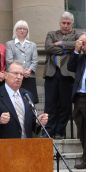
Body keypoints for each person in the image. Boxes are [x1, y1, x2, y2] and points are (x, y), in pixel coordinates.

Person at [0, 61, 48, 150]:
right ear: (6, 75)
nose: (19, 77)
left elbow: (30, 123)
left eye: (21, 74)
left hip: (25, 149)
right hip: (2, 150)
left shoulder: (27, 95)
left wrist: (38, 122)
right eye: (15, 73)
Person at [43, 11, 81, 139]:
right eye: (63, 23)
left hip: (68, 74)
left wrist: (60, 44)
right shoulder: (51, 34)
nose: (65, 25)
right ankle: (49, 131)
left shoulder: (77, 34)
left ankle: (60, 131)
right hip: (51, 73)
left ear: (72, 23)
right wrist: (67, 48)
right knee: (50, 104)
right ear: (60, 23)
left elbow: (78, 45)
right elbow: (48, 47)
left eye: (68, 23)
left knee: (65, 105)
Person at [6, 20, 39, 104]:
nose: (22, 30)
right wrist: (22, 71)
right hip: (15, 76)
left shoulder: (32, 45)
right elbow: (9, 60)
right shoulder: (10, 44)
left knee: (30, 101)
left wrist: (29, 70)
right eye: (19, 28)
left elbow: (35, 60)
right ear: (15, 30)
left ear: (27, 31)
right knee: (16, 101)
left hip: (29, 76)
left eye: (24, 29)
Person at [67, 33, 86, 169]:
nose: (83, 45)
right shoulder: (81, 57)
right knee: (83, 131)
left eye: (84, 42)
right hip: (79, 98)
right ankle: (86, 159)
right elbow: (70, 67)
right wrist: (75, 50)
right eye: (81, 42)